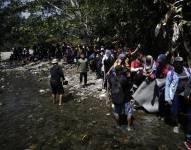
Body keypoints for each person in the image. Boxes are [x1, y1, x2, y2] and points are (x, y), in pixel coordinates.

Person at [165, 56, 191, 134]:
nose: (178, 65)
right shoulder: (171, 73)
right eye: (177, 63)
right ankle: (175, 124)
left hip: (186, 93)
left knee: (184, 109)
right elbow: (167, 85)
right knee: (174, 110)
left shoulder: (188, 71)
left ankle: (183, 123)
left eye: (180, 63)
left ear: (182, 63)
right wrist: (167, 98)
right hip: (175, 93)